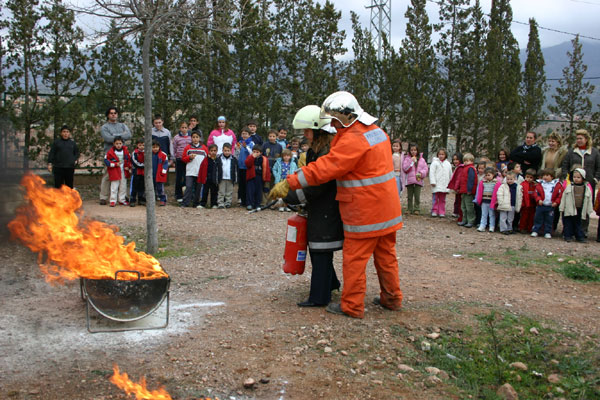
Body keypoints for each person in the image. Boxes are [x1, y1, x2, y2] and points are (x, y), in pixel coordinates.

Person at [271, 91, 403, 319]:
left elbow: (326, 168)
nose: (331, 124)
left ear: (344, 116)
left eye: (334, 119)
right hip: (387, 208)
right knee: (386, 256)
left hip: (364, 211)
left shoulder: (353, 139)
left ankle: (351, 306)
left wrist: (289, 183)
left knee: (355, 259)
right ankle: (391, 298)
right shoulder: (377, 133)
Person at [282, 105, 343, 307]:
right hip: (318, 207)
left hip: (327, 208)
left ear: (318, 130)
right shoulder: (314, 151)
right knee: (318, 248)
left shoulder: (327, 152)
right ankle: (331, 283)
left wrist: (291, 195)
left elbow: (318, 184)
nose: (305, 135)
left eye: (307, 131)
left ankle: (319, 297)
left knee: (320, 248)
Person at [560, 129, 600, 236]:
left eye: (581, 138)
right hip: (573, 184)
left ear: (586, 139)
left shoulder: (594, 152)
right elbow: (565, 165)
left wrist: (595, 179)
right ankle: (568, 230)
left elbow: (598, 168)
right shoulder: (571, 151)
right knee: (570, 206)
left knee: (585, 207)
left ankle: (582, 231)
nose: (579, 140)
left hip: (588, 185)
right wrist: (566, 179)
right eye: (577, 138)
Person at [100, 107, 132, 204]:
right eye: (111, 113)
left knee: (123, 176)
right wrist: (120, 135)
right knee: (107, 176)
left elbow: (129, 135)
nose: (113, 115)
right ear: (108, 115)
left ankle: (122, 197)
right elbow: (107, 138)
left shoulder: (122, 125)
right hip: (110, 155)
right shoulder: (104, 127)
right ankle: (104, 197)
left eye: (115, 113)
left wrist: (115, 135)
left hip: (122, 155)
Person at [560, 168, 593, 243]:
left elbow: (589, 199)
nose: (576, 179)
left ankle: (579, 237)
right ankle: (568, 236)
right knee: (568, 223)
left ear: (583, 178)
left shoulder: (586, 188)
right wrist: (562, 207)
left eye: (578, 177)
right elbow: (564, 197)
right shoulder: (569, 187)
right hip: (569, 208)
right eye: (574, 177)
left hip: (580, 208)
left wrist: (589, 209)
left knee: (579, 223)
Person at [531, 169, 563, 239]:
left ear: (552, 177)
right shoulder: (540, 184)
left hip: (550, 205)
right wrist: (538, 199)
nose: (545, 177)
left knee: (549, 220)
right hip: (541, 205)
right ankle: (536, 230)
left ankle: (547, 232)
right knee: (538, 218)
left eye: (547, 175)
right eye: (544, 175)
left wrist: (556, 202)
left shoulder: (557, 185)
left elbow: (559, 195)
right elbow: (536, 193)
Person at [449, 153, 477, 228]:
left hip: (468, 191)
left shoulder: (471, 168)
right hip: (463, 191)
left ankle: (470, 220)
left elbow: (471, 180)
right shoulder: (464, 168)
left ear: (471, 161)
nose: (466, 162)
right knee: (463, 206)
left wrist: (469, 190)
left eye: (467, 161)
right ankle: (464, 219)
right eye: (465, 161)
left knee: (469, 207)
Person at [181, 132, 208, 208]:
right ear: (191, 138)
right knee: (188, 186)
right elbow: (183, 159)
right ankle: (185, 202)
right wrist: (189, 158)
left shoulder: (204, 148)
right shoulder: (188, 148)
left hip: (200, 172)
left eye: (197, 137)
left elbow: (207, 160)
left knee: (198, 188)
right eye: (193, 137)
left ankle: (196, 203)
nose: (195, 139)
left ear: (199, 138)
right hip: (190, 171)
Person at [47, 125, 79, 189]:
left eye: (67, 132)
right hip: (58, 167)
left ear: (69, 133)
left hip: (69, 167)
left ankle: (69, 198)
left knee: (69, 186)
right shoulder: (56, 143)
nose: (65, 134)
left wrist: (74, 160)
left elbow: (76, 153)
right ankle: (59, 198)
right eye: (64, 132)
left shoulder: (72, 143)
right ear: (61, 133)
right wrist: (49, 163)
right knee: (58, 186)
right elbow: (52, 153)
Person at [104, 136, 132, 207]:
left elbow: (129, 159)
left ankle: (122, 200)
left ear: (122, 143)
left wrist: (128, 167)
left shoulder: (125, 151)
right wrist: (114, 164)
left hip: (123, 170)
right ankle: (113, 200)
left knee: (123, 185)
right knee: (114, 185)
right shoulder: (110, 152)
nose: (118, 145)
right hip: (115, 171)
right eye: (117, 143)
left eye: (120, 143)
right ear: (114, 144)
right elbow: (106, 160)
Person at [402, 143, 428, 215]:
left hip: (418, 180)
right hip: (410, 181)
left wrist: (421, 173)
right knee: (409, 196)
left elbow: (425, 169)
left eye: (415, 150)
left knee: (417, 196)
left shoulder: (422, 159)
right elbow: (405, 168)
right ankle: (409, 208)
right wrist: (411, 161)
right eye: (412, 150)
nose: (413, 151)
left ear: (417, 151)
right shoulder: (407, 159)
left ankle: (417, 208)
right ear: (409, 151)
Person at [245, 145, 270, 210]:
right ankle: (250, 203)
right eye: (254, 151)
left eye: (257, 152)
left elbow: (266, 169)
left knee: (259, 191)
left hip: (259, 177)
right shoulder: (250, 157)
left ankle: (257, 204)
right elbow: (247, 164)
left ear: (261, 152)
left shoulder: (263, 159)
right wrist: (252, 157)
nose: (255, 153)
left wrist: (266, 178)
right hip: (251, 177)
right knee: (250, 191)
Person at [172, 121, 192, 203]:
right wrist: (174, 158)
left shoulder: (191, 137)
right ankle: (178, 195)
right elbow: (174, 148)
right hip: (179, 159)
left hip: (189, 159)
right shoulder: (176, 138)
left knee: (187, 177)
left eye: (185, 127)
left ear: (188, 128)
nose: (184, 129)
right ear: (180, 128)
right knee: (179, 177)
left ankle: (188, 195)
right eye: (182, 127)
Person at [476, 167, 501, 232]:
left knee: (492, 215)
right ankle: (482, 225)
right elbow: (480, 191)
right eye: (486, 175)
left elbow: (496, 193)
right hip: (484, 200)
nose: (487, 177)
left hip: (491, 201)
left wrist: (496, 201)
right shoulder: (483, 182)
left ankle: (492, 226)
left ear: (493, 175)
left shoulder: (496, 183)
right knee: (484, 214)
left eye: (489, 175)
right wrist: (479, 200)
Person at [429, 148, 452, 217]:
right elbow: (432, 173)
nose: (441, 156)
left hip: (444, 185)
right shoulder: (434, 163)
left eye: (442, 154)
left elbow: (450, 174)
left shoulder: (448, 164)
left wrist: (450, 184)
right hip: (436, 184)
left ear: (445, 155)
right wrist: (432, 181)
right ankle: (434, 210)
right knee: (435, 199)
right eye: (440, 154)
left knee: (442, 199)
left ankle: (441, 211)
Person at [236, 127, 254, 207]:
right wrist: (238, 148)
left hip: (247, 167)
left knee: (248, 185)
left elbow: (252, 153)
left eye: (246, 134)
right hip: (240, 166)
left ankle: (248, 201)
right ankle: (241, 201)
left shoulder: (251, 143)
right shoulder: (239, 142)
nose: (244, 135)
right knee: (241, 184)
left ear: (249, 135)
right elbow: (237, 154)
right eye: (243, 134)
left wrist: (246, 146)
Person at [216, 142, 238, 208]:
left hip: (230, 178)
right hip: (221, 178)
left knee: (229, 192)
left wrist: (236, 179)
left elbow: (236, 170)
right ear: (222, 150)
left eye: (228, 151)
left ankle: (228, 203)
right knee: (221, 191)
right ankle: (220, 203)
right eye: (225, 150)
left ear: (231, 151)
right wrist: (216, 178)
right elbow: (216, 169)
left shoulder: (233, 159)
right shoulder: (219, 158)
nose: (227, 152)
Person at [199, 144, 219, 209]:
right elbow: (201, 168)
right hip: (207, 178)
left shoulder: (218, 160)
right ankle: (203, 203)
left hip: (214, 179)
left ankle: (214, 204)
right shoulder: (206, 159)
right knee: (205, 191)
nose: (213, 152)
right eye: (211, 150)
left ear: (217, 151)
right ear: (209, 151)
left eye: (214, 150)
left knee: (214, 192)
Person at [518, 169, 538, 233]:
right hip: (525, 203)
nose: (528, 179)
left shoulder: (534, 185)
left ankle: (530, 228)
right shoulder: (523, 184)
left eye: (531, 177)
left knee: (531, 216)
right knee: (524, 216)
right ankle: (522, 227)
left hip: (532, 203)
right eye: (527, 177)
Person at [151, 140, 169, 206]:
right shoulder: (149, 154)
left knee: (160, 188)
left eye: (156, 147)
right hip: (151, 174)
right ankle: (151, 200)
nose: (155, 148)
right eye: (153, 147)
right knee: (151, 188)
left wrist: (163, 171)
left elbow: (166, 163)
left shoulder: (163, 154)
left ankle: (162, 199)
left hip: (159, 175)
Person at [130, 139, 146, 207]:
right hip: (136, 172)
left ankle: (141, 199)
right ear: (137, 145)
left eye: (143, 145)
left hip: (143, 172)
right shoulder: (134, 153)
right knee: (134, 186)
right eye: (140, 145)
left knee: (142, 186)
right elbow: (135, 162)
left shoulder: (146, 152)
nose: (141, 147)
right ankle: (132, 200)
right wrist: (143, 165)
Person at [450, 153, 463, 220]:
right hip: (458, 187)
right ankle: (456, 211)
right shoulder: (457, 167)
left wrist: (456, 187)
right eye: (454, 159)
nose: (455, 161)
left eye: (457, 159)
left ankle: (457, 212)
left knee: (459, 200)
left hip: (459, 187)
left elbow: (458, 179)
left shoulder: (460, 168)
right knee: (457, 200)